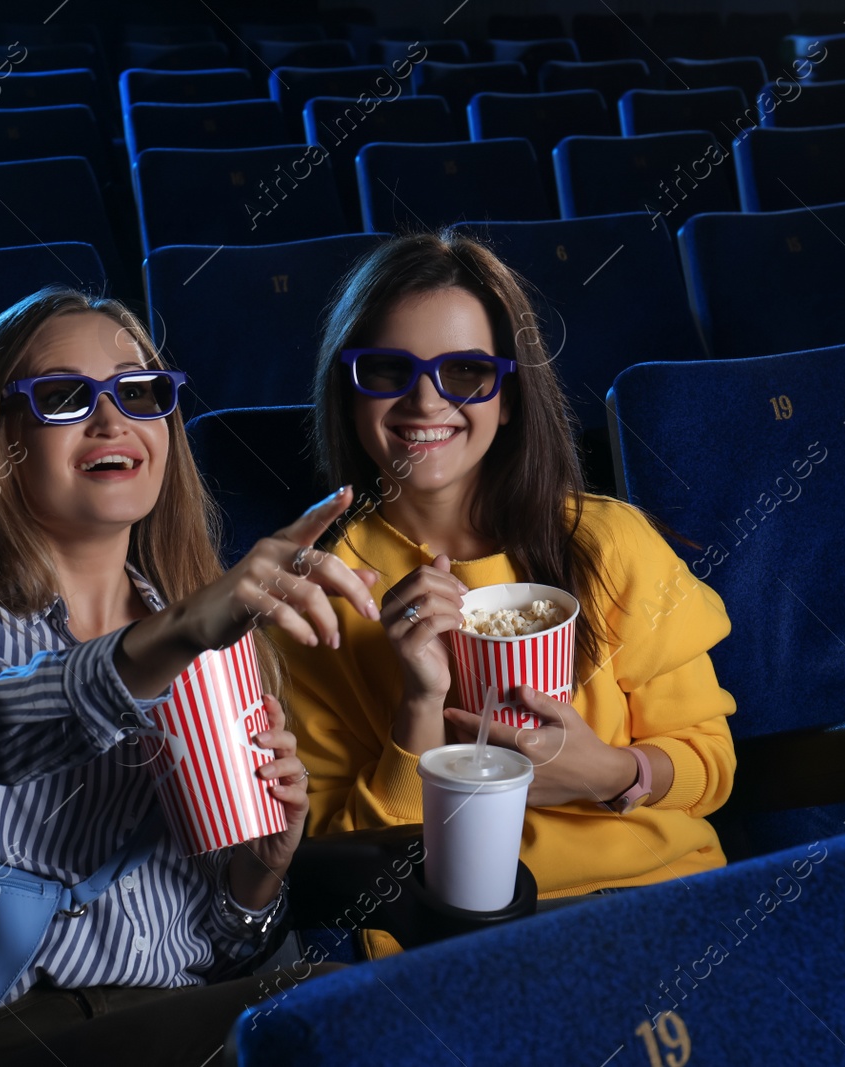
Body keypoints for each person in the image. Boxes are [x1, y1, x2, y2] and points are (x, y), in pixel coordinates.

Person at [0, 288, 379, 1065]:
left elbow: (220, 945)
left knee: (373, 1011)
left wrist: (258, 876)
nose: (112, 420)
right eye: (66, 397)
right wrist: (180, 629)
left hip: (177, 1012)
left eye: (138, 391)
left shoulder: (214, 642)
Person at [283, 231, 738, 941]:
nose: (426, 402)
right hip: (463, 934)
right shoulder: (322, 591)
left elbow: (711, 765)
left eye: (464, 372)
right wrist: (420, 705)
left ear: (510, 394)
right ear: (348, 390)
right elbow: (344, 863)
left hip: (663, 900)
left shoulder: (610, 542)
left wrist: (610, 772)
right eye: (386, 370)